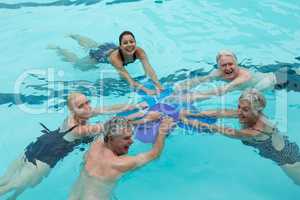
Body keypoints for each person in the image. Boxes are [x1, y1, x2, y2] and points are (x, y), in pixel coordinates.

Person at [0, 93, 138, 200]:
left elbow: (106, 109)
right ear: (72, 109)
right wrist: (142, 117)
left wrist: (129, 106)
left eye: (87, 102)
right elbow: (109, 127)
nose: (87, 107)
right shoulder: (78, 130)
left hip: (36, 146)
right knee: (12, 185)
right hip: (44, 160)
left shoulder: (78, 114)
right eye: (81, 105)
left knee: (7, 181)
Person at [180, 89, 300, 185]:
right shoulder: (248, 113)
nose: (239, 112)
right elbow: (222, 112)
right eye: (239, 107)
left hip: (288, 160)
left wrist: (188, 122)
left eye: (245, 109)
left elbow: (218, 129)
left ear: (257, 110)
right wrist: (192, 113)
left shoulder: (255, 131)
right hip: (282, 146)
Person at [68, 116, 174, 200]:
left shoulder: (95, 146)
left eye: (131, 136)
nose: (131, 141)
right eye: (126, 138)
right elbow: (155, 153)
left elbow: (109, 125)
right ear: (111, 139)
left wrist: (145, 120)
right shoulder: (120, 164)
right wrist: (162, 129)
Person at [48, 31, 164, 96]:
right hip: (101, 56)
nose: (129, 45)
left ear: (135, 42)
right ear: (120, 45)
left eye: (131, 41)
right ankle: (59, 49)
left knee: (94, 45)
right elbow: (128, 79)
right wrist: (146, 90)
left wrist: (158, 85)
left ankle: (76, 35)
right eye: (125, 43)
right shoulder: (115, 58)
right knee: (78, 64)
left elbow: (150, 70)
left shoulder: (139, 51)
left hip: (110, 48)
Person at [170, 50, 300, 103]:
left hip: (279, 81)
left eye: (230, 64)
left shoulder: (244, 76)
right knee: (293, 69)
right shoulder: (218, 72)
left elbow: (220, 91)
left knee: (293, 74)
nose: (227, 68)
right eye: (223, 65)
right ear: (218, 66)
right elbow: (200, 80)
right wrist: (179, 86)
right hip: (269, 74)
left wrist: (186, 99)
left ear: (237, 63)